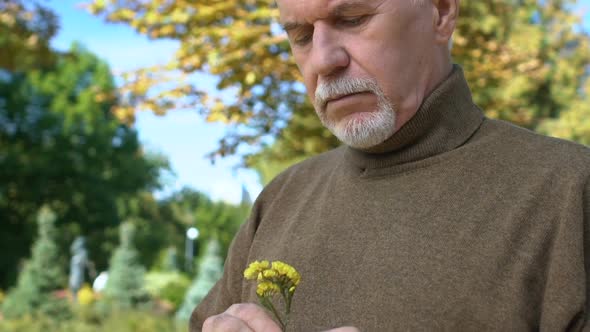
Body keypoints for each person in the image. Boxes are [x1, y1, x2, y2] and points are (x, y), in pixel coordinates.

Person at [191, 0, 590, 330]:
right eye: (301, 36)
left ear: (442, 12)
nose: (323, 59)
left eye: (352, 19)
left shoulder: (569, 190)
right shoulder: (282, 198)